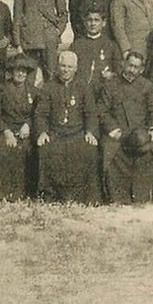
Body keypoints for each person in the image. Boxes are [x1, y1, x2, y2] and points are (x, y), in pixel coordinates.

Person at [98, 52, 153, 204]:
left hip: (141, 131)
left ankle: (146, 195)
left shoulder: (147, 86)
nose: (132, 70)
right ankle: (118, 196)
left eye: (136, 67)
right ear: (123, 64)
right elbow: (102, 111)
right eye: (130, 65)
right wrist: (113, 130)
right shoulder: (111, 85)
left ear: (141, 69)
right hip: (119, 132)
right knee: (109, 148)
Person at [35, 50, 101, 204]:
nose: (66, 70)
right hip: (55, 132)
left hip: (77, 133)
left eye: (70, 67)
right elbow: (41, 114)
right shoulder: (48, 87)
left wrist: (90, 132)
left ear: (76, 68)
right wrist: (42, 132)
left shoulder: (83, 86)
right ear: (57, 67)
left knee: (89, 150)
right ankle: (50, 196)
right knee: (46, 149)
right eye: (63, 66)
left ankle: (84, 197)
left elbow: (91, 113)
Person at [12, 0, 68, 79]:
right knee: (29, 77)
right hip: (29, 40)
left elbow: (63, 14)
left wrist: (57, 32)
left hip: (49, 40)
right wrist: (18, 43)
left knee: (51, 75)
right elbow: (17, 17)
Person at [0, 54, 38, 201]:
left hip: (25, 131)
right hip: (5, 130)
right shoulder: (1, 90)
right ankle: (1, 193)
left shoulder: (33, 91)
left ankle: (23, 192)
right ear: (11, 71)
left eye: (24, 71)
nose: (21, 74)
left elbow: (38, 114)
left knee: (27, 149)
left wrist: (28, 125)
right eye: (18, 70)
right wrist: (6, 132)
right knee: (3, 148)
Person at [70, 8, 123, 101]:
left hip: (102, 93)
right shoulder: (77, 45)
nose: (93, 24)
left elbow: (119, 70)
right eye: (89, 20)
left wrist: (111, 75)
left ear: (104, 23)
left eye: (96, 20)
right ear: (85, 23)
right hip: (80, 92)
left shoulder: (111, 45)